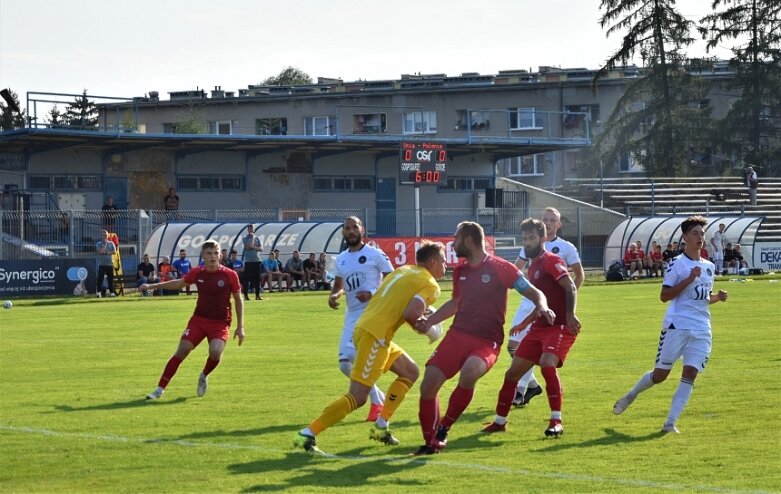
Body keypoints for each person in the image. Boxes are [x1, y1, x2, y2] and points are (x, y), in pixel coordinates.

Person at [412, 221, 554, 455]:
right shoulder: (460, 271)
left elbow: (533, 291)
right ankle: (430, 443)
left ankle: (443, 429)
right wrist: (430, 321)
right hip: (457, 335)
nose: (453, 243)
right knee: (429, 385)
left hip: (487, 342)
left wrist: (543, 306)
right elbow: (456, 303)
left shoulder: (501, 267)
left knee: (470, 372)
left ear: (468, 241)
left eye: (456, 239)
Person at [293, 241, 447, 454]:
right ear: (432, 262)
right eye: (443, 261)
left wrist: (422, 315)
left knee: (410, 372)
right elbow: (411, 314)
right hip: (376, 335)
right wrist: (428, 329)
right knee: (358, 396)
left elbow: (398, 302)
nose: (446, 265)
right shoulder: (430, 283)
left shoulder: (403, 271)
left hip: (368, 329)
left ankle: (381, 427)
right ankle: (307, 434)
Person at [613, 215, 728, 433]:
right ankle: (631, 395)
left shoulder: (710, 266)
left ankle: (670, 423)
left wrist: (717, 298)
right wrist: (688, 279)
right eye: (695, 233)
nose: (700, 237)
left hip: (702, 328)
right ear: (685, 237)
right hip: (677, 325)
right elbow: (664, 296)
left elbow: (703, 297)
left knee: (691, 373)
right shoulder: (677, 263)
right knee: (660, 376)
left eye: (702, 233)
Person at [482, 218, 581, 437]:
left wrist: (570, 314)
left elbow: (570, 286)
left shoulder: (550, 260)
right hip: (539, 327)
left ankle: (556, 421)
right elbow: (544, 301)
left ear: (542, 238)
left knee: (547, 364)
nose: (527, 242)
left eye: (532, 238)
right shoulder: (533, 265)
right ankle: (499, 421)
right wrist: (525, 323)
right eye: (525, 238)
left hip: (560, 327)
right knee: (511, 374)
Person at [141, 239, 245, 400]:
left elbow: (238, 299)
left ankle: (204, 375)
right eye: (209, 253)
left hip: (220, 322)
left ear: (220, 255)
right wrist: (151, 286)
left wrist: (240, 327)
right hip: (199, 320)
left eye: (216, 253)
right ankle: (159, 389)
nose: (213, 256)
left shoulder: (230, 275)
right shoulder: (198, 272)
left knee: (215, 352)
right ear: (203, 255)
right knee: (182, 351)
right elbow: (179, 284)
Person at [506, 207, 584, 408]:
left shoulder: (565, 248)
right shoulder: (530, 243)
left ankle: (521, 391)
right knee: (514, 347)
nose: (548, 222)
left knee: (536, 353)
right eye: (545, 219)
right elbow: (516, 271)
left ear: (559, 224)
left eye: (552, 220)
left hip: (552, 308)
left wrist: (566, 302)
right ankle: (530, 384)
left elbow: (578, 275)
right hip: (529, 303)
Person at [328, 217, 395, 422]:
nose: (351, 231)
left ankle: (376, 402)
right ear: (343, 232)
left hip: (373, 314)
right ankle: (378, 398)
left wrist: (372, 293)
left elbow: (392, 279)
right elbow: (339, 285)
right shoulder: (341, 259)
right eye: (347, 228)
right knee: (344, 364)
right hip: (352, 314)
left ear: (362, 230)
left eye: (354, 227)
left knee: (354, 356)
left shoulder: (374, 254)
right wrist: (334, 295)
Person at [242, 224, 264, 301]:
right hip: (249, 262)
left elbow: (261, 249)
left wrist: (254, 247)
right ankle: (246, 295)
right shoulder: (245, 238)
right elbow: (249, 246)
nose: (251, 230)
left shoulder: (258, 238)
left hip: (257, 261)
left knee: (257, 279)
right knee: (247, 279)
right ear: (248, 230)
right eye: (250, 229)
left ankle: (257, 295)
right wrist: (253, 237)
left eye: (252, 229)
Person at [95, 230, 117, 298]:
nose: (104, 236)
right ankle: (99, 293)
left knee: (110, 279)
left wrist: (107, 252)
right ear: (101, 236)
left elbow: (114, 252)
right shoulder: (99, 244)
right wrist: (105, 245)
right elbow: (100, 252)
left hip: (110, 264)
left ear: (108, 236)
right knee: (100, 279)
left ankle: (112, 293)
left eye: (106, 235)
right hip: (102, 264)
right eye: (103, 235)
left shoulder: (112, 243)